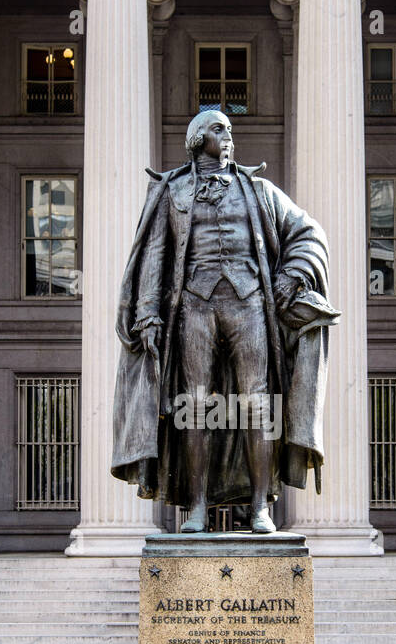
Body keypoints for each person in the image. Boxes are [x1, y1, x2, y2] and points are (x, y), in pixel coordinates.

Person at [111, 109, 338, 532]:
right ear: (198, 139)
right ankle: (195, 507)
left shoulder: (259, 191)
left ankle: (259, 507)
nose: (228, 136)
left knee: (257, 405)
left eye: (230, 130)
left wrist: (291, 275)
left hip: (250, 305)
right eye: (219, 129)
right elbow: (155, 256)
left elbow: (309, 232)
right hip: (193, 308)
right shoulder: (171, 192)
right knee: (193, 407)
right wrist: (146, 313)